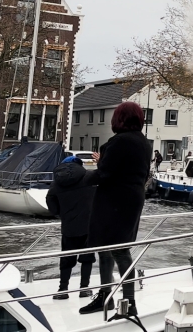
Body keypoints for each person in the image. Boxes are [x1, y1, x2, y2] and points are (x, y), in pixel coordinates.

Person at [79, 102, 151, 316]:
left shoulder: (119, 141)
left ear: (119, 119)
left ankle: (124, 302)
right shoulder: (144, 143)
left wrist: (82, 178)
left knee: (116, 249)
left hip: (114, 200)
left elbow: (105, 173)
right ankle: (111, 298)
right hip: (132, 198)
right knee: (112, 247)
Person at [46, 156, 96, 300]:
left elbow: (51, 204)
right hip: (88, 225)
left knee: (67, 258)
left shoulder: (57, 183)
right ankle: (84, 289)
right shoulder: (89, 176)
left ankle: (63, 290)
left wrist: (61, 213)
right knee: (87, 258)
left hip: (69, 226)